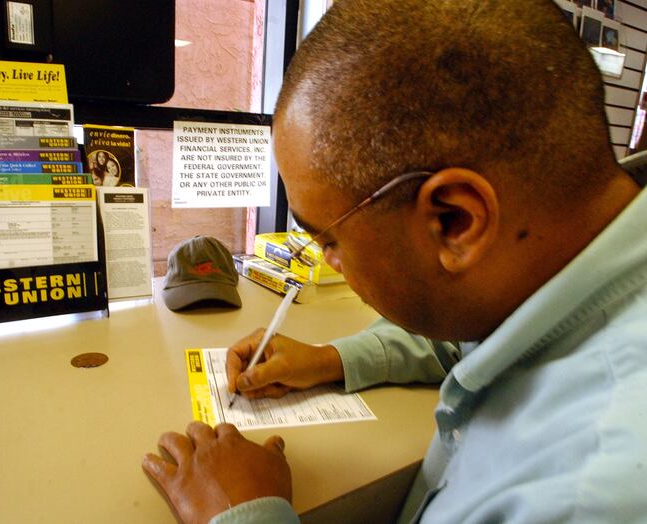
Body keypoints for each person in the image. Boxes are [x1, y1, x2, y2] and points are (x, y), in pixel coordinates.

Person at [143, 1, 647, 523]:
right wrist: (332, 360)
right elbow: (481, 327)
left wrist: (245, 514)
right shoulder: (571, 249)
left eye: (329, 239)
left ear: (455, 221)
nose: (326, 262)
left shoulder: (589, 490)